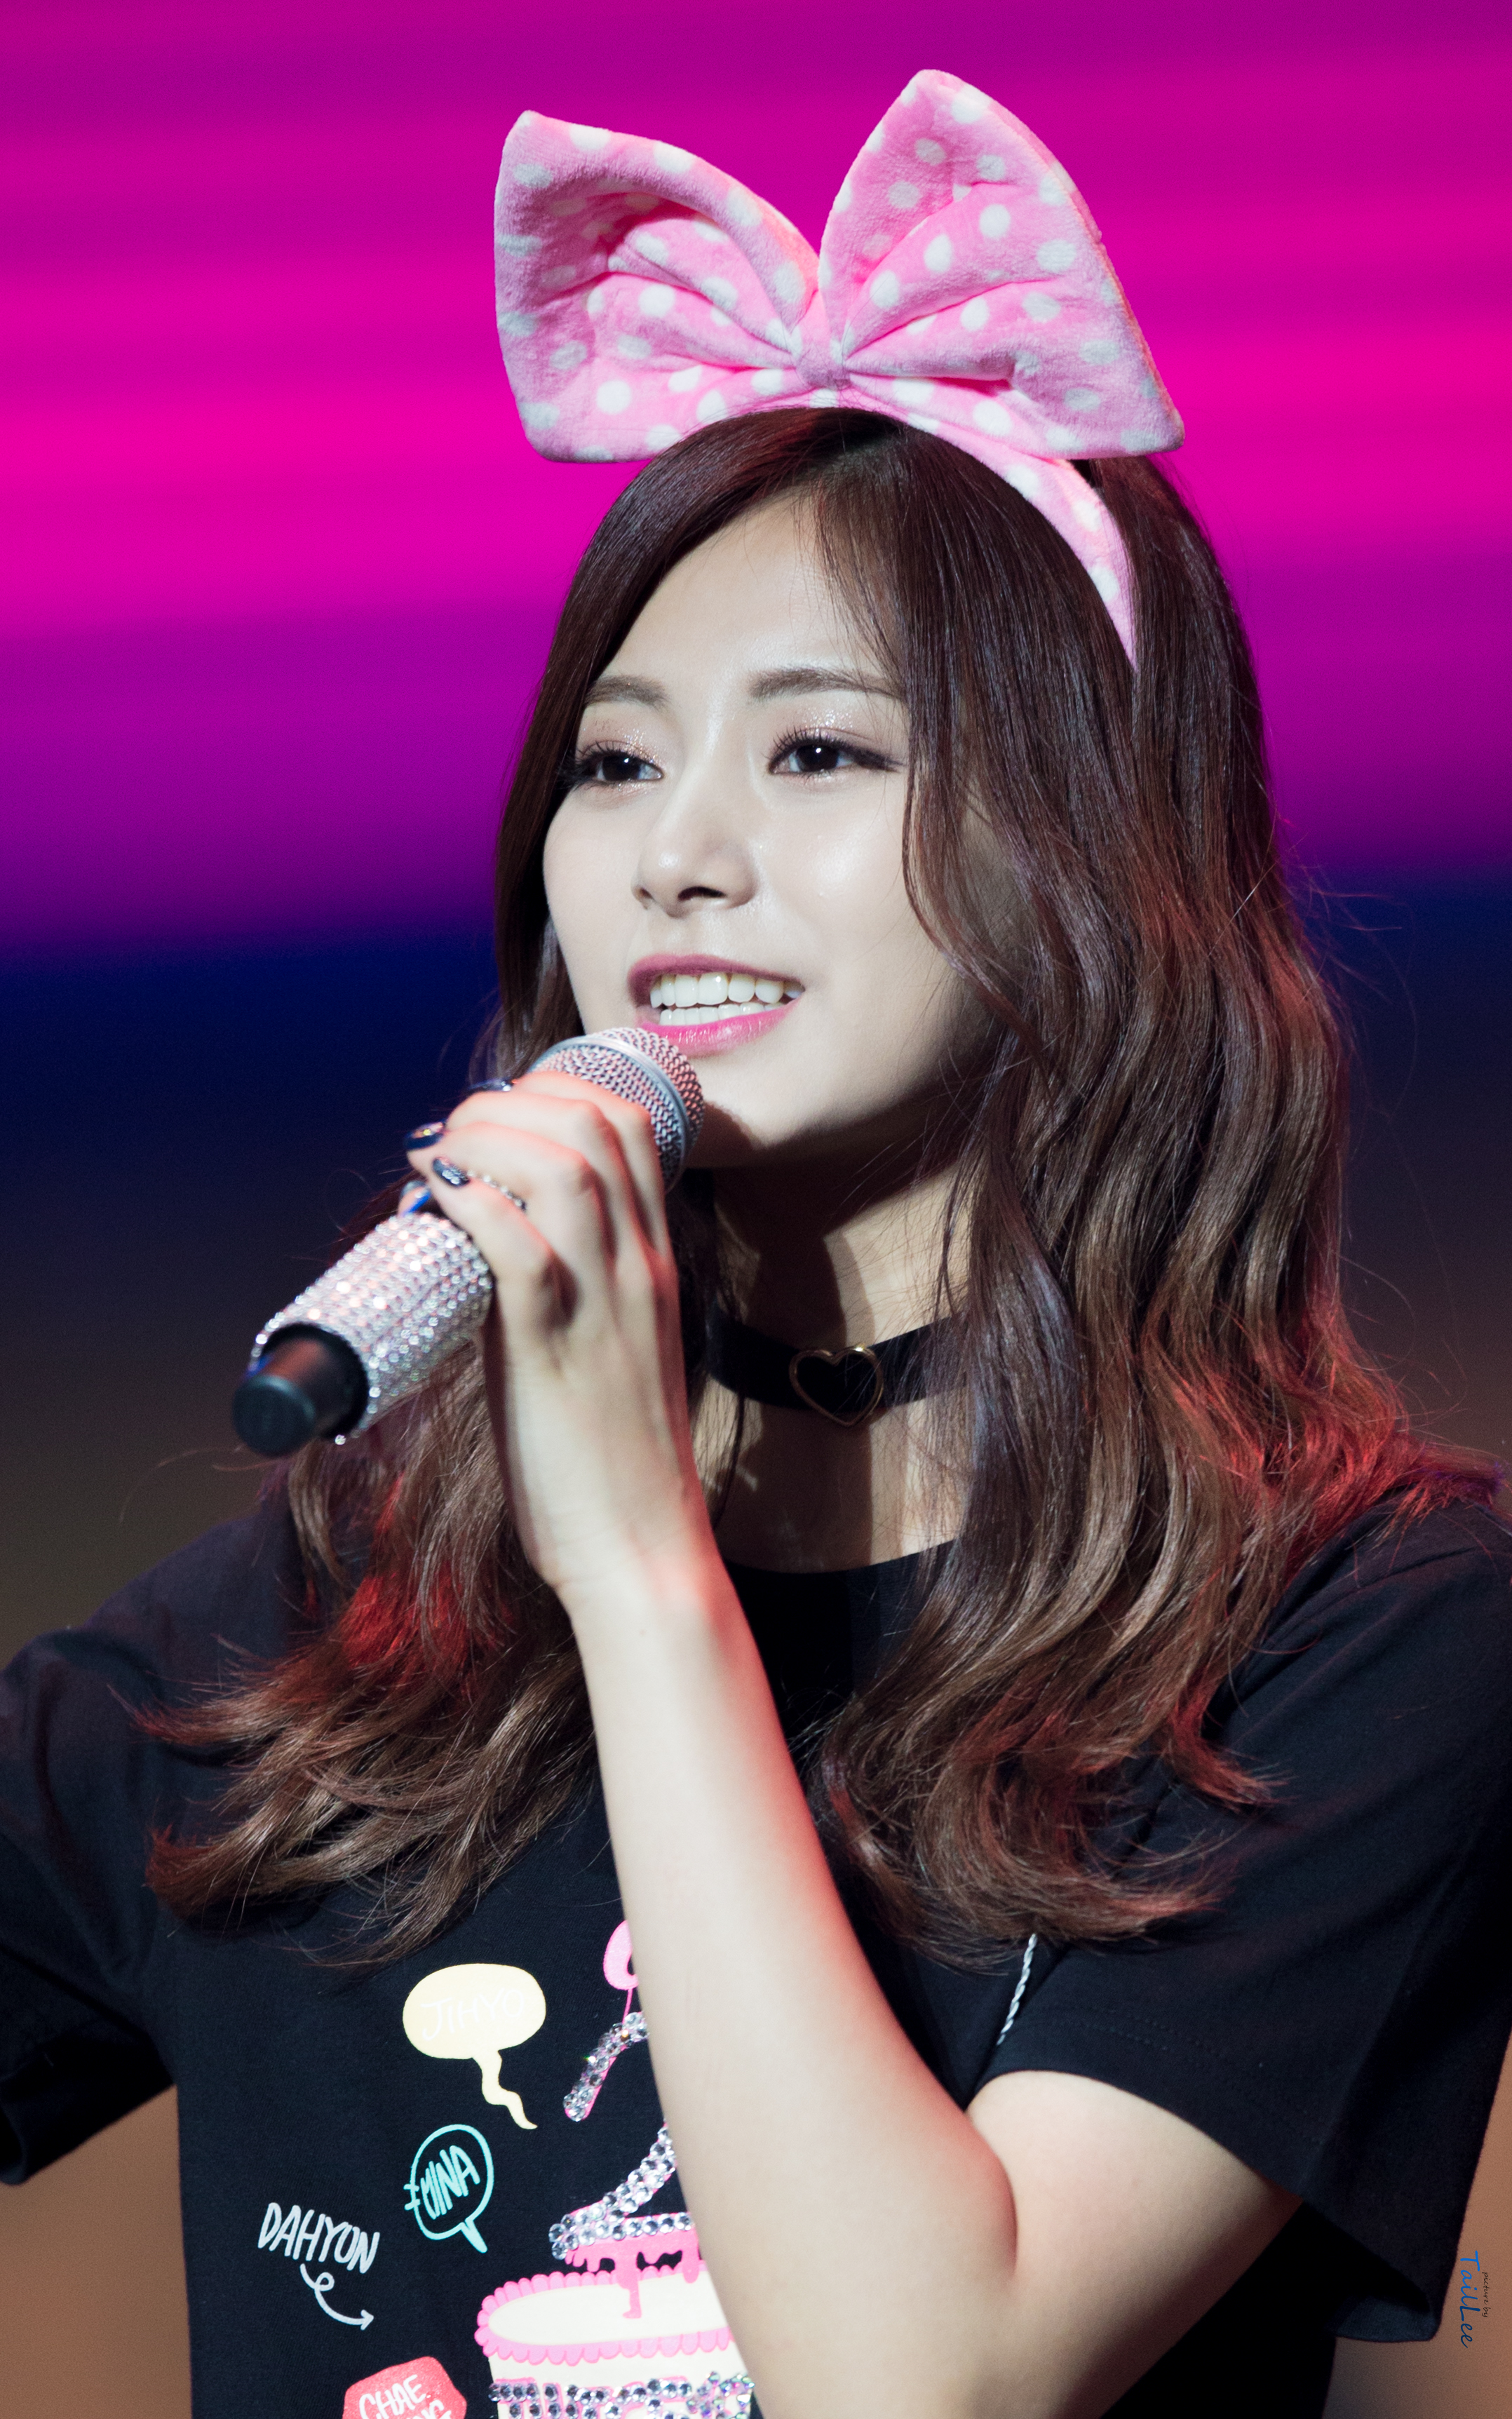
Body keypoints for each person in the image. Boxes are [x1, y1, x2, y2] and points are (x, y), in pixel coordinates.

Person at [3, 70, 1510, 2419]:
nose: (674, 854)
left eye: (818, 752)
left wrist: (639, 1569)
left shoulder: (1351, 1637)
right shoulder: (326, 1631)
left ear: (1090, 858)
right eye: (614, 761)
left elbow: (924, 2379)